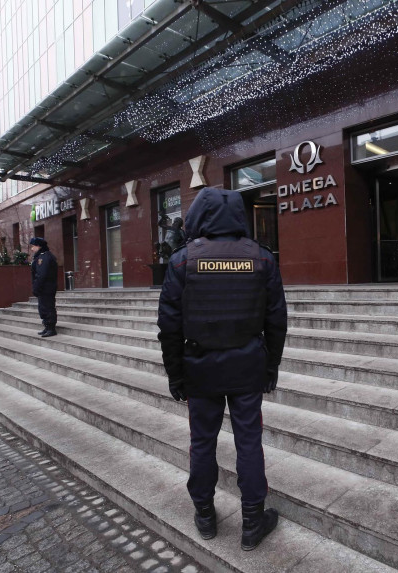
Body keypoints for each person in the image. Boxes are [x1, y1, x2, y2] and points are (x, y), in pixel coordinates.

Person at [157, 187, 287, 551]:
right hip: (247, 366)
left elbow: (169, 325)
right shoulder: (262, 258)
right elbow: (277, 319)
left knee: (202, 443)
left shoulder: (183, 260)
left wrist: (175, 374)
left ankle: (205, 515)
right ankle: (251, 522)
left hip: (200, 369)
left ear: (198, 216)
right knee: (249, 442)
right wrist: (271, 366)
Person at [29, 237, 59, 337]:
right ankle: (47, 327)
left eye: (33, 246)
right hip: (44, 288)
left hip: (46, 288)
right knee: (43, 307)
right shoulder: (41, 256)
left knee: (48, 307)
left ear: (38, 246)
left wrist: (36, 287)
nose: (32, 249)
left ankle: (51, 328)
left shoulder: (44, 257)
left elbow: (41, 275)